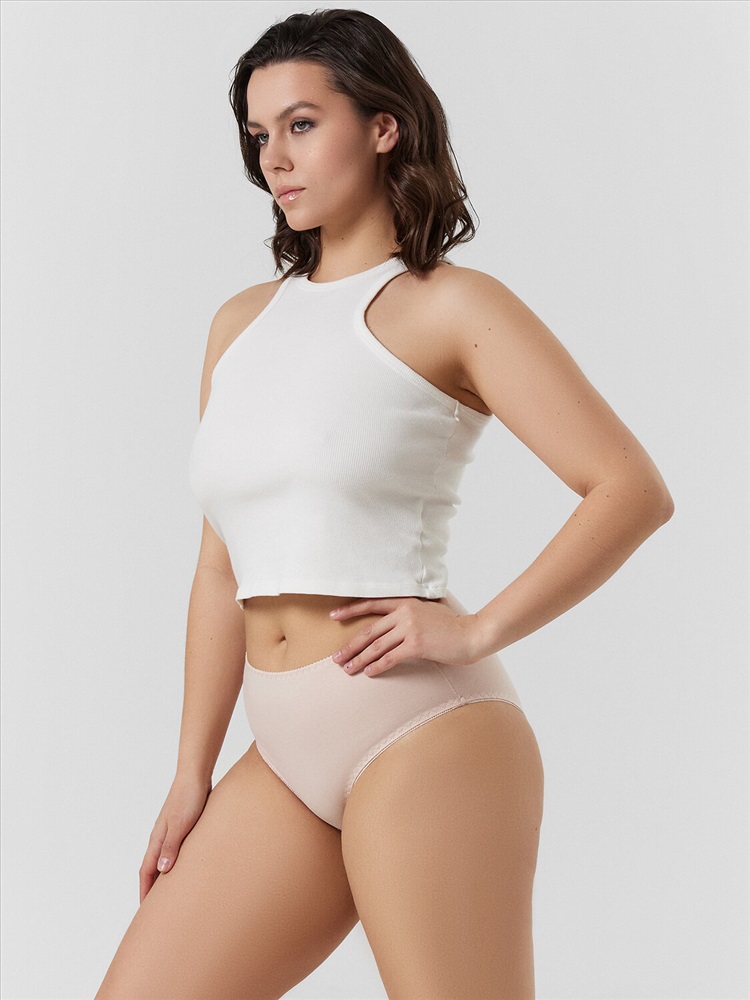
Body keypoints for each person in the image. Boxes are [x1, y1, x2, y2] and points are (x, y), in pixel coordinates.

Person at [95, 8, 674, 999]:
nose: (275, 157)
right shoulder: (240, 324)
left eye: (302, 123)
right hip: (282, 750)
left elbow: (629, 489)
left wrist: (478, 628)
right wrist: (191, 772)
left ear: (382, 126)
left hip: (422, 731)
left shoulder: (451, 305)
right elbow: (220, 567)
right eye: (259, 133)